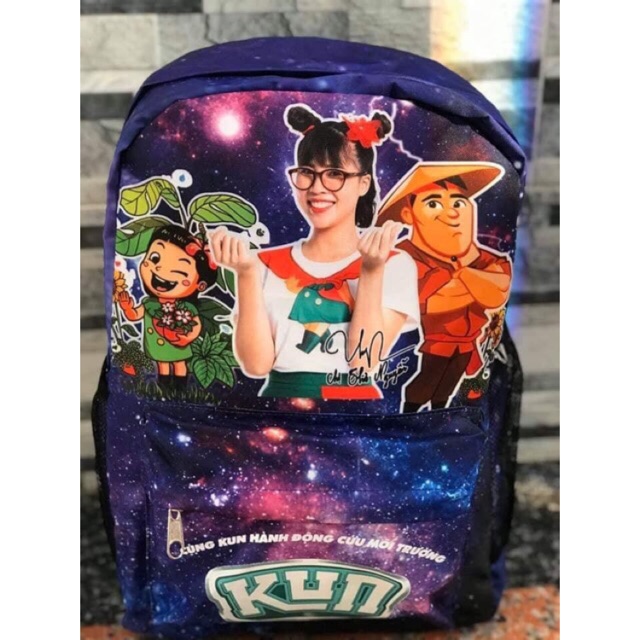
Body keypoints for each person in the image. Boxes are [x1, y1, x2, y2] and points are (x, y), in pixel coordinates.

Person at [209, 103, 419, 400]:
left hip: (356, 413)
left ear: (363, 183)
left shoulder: (394, 263)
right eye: (307, 172)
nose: (317, 188)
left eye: (334, 173)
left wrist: (371, 270)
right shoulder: (261, 263)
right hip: (278, 407)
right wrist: (245, 273)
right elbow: (256, 366)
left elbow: (363, 362)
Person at [375, 163, 513, 411]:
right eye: (433, 204)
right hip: (435, 345)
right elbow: (432, 302)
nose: (452, 213)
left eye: (459, 202)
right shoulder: (401, 258)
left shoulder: (485, 257)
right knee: (425, 384)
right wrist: (475, 278)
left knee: (448, 386)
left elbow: (497, 292)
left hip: (468, 346)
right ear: (408, 215)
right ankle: (410, 415)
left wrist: (463, 271)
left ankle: (440, 416)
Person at [117, 224, 217, 393]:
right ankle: (165, 391)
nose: (159, 268)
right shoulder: (149, 303)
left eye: (179, 270)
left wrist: (187, 337)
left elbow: (195, 324)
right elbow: (134, 315)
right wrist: (127, 307)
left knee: (179, 364)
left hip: (177, 343)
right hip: (157, 348)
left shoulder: (184, 307)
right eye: (154, 258)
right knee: (162, 365)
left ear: (200, 285)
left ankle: (180, 390)